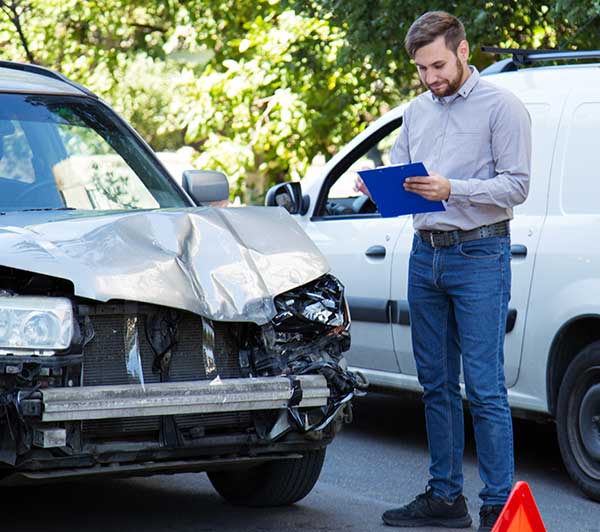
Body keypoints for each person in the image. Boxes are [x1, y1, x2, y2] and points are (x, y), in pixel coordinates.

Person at [362, 11, 532, 532]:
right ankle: (445, 499)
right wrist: (378, 191)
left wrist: (452, 188)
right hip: (425, 254)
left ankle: (498, 508)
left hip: (480, 254)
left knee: (484, 388)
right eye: (421, 68)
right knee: (435, 384)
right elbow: (401, 177)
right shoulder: (416, 111)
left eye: (437, 64)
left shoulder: (502, 107)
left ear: (462, 51)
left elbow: (516, 187)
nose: (431, 77)